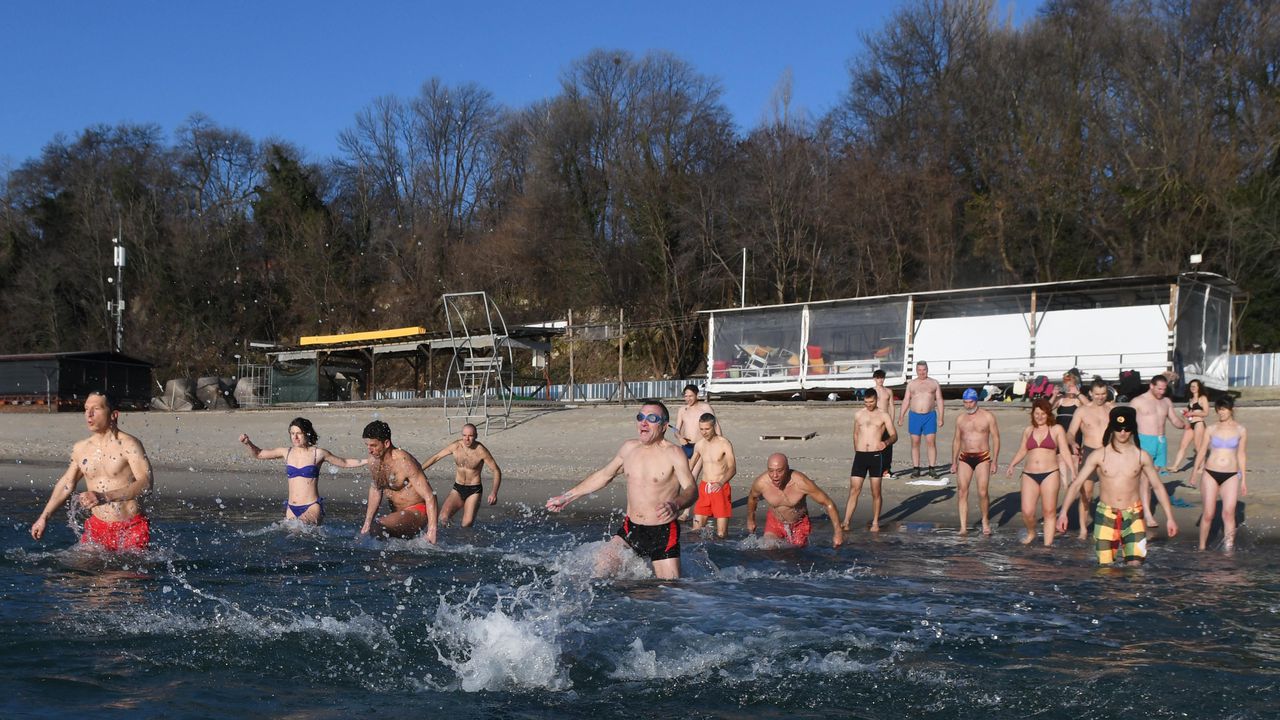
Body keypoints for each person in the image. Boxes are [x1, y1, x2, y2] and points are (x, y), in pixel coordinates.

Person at [546, 400, 696, 579]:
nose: (644, 422)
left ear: (664, 426)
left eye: (652, 418)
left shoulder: (674, 453)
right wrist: (567, 497)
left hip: (662, 532)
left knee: (670, 590)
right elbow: (604, 475)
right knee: (600, 575)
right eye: (640, 417)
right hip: (630, 529)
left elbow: (692, 489)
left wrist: (676, 504)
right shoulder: (629, 449)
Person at [1056, 406, 1180, 565]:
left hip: (1133, 514)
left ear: (1132, 430)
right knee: (1106, 569)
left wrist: (1170, 518)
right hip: (1106, 515)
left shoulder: (1141, 456)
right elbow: (1077, 484)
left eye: (1127, 429)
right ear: (1112, 428)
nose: (1122, 433)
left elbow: (1157, 486)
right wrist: (1063, 512)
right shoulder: (1099, 455)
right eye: (1118, 428)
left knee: (1135, 567)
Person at [31, 392, 154, 552]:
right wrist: (44, 517)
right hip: (98, 527)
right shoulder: (81, 448)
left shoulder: (129, 444)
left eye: (96, 408)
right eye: (86, 409)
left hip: (131, 527)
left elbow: (146, 484)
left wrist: (105, 497)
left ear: (113, 415)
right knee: (77, 574)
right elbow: (67, 484)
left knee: (120, 576)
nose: (89, 414)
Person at [238, 417, 366, 524]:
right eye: (292, 433)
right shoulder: (286, 452)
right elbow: (259, 454)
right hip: (291, 508)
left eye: (299, 433)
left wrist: (368, 461)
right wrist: (248, 443)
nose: (295, 437)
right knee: (291, 541)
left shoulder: (318, 453)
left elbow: (344, 462)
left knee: (299, 531)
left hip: (311, 506)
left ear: (307, 433)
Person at [1005, 399, 1074, 546]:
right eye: (1037, 413)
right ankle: (1031, 532)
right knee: (1027, 511)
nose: (1040, 417)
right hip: (1029, 474)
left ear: (1048, 413)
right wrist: (1012, 464)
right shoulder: (1028, 430)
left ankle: (1047, 546)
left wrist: (1072, 471)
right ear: (1033, 413)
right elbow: (1023, 449)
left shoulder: (1056, 429)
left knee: (1049, 511)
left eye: (1043, 413)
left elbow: (1065, 451)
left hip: (1050, 473)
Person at [358, 421, 438, 543]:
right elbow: (376, 489)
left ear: (386, 443)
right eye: (367, 445)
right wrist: (367, 522)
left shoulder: (404, 461)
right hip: (399, 514)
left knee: (379, 527)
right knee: (371, 531)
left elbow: (429, 495)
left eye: (373, 446)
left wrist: (432, 531)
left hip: (418, 511)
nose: (370, 450)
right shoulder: (373, 461)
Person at [746, 454, 844, 548]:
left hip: (799, 524)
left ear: (787, 469)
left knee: (796, 553)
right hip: (775, 521)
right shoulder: (761, 483)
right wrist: (751, 519)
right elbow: (752, 498)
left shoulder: (801, 483)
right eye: (771, 471)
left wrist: (838, 532)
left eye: (779, 471)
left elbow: (828, 503)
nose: (775, 475)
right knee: (768, 548)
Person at [1191, 396, 1248, 550]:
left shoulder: (1240, 430)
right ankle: (1202, 547)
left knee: (1228, 513)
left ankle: (1229, 549)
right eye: (1218, 410)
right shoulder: (1211, 428)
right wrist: (1194, 473)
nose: (1221, 413)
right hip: (1210, 473)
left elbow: (1241, 454)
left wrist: (1243, 479)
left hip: (1231, 474)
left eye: (1224, 409)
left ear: (1231, 409)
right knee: (1209, 514)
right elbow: (1202, 451)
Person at [1130, 373, 1187, 526]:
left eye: (1164, 389)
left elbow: (1174, 420)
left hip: (1161, 442)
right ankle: (1147, 514)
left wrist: (1186, 424)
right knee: (1145, 479)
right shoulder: (1138, 401)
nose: (1162, 392)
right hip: (1145, 440)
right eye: (1159, 389)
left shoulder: (1166, 401)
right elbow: (1128, 423)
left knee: (1152, 478)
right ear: (1151, 386)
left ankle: (1140, 508)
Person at [420, 423, 503, 528]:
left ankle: (467, 541)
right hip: (458, 488)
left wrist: (494, 492)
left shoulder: (481, 450)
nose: (467, 439)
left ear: (476, 436)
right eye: (464, 435)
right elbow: (436, 457)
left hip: (474, 490)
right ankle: (452, 540)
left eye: (470, 436)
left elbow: (496, 470)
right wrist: (419, 470)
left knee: (466, 524)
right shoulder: (456, 446)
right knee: (443, 518)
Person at [1062, 377, 1114, 539]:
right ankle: (1084, 529)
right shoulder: (1082, 411)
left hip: (1109, 453)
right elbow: (1070, 433)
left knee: (1110, 492)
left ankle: (1110, 527)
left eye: (1103, 394)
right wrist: (1072, 443)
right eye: (1097, 394)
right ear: (1090, 393)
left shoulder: (1112, 409)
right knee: (1087, 493)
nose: (1100, 397)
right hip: (1090, 452)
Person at [842, 390, 896, 532]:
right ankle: (846, 521)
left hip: (876, 456)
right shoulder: (859, 414)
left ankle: (875, 522)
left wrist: (886, 442)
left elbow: (894, 435)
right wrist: (857, 450)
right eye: (866, 402)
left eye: (871, 402)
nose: (868, 405)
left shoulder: (884, 416)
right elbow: (855, 434)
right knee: (854, 490)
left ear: (876, 400)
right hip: (860, 456)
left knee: (875, 492)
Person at [948, 388, 1000, 536]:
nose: (968, 405)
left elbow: (996, 438)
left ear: (976, 401)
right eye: (965, 402)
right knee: (962, 491)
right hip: (965, 457)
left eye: (970, 402)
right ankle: (963, 527)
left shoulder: (988, 417)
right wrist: (954, 461)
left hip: (982, 456)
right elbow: (957, 440)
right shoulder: (960, 419)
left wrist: (995, 461)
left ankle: (985, 520)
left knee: (982, 492)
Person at [689, 413, 736, 539]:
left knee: (721, 534)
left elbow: (733, 469)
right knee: (696, 531)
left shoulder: (724, 443)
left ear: (714, 426)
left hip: (720, 488)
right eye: (701, 429)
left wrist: (720, 483)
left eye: (707, 429)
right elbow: (690, 466)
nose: (704, 432)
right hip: (704, 488)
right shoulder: (699, 444)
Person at [897, 361, 944, 476]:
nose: (922, 372)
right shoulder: (911, 384)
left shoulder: (934, 383)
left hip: (930, 415)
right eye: (919, 370)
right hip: (914, 416)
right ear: (916, 371)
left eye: (924, 370)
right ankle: (916, 468)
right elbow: (906, 400)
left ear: (927, 370)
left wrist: (941, 417)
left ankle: (932, 468)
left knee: (930, 442)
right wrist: (901, 416)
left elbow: (939, 400)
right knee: (915, 442)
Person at [1167, 378, 1209, 473]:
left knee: (1198, 446)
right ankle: (1175, 466)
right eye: (1191, 386)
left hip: (1199, 423)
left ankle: (1202, 467)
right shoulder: (1191, 399)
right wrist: (1186, 413)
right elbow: (1189, 411)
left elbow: (1206, 413)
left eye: (1195, 386)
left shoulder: (1202, 398)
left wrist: (1193, 413)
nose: (1192, 388)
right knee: (1183, 445)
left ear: (1199, 387)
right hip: (1190, 424)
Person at [871, 369, 896, 478]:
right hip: (875, 421)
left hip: (886, 421)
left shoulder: (888, 391)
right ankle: (876, 468)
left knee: (888, 445)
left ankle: (886, 469)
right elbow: (869, 406)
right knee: (875, 445)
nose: (880, 380)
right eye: (878, 378)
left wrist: (892, 421)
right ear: (874, 379)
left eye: (882, 378)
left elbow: (891, 406)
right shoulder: (872, 391)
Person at [1052, 369, 1084, 434]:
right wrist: (1054, 396)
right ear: (1065, 387)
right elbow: (1045, 409)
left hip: (1074, 433)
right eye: (1068, 387)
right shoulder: (1060, 399)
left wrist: (1077, 393)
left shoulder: (1078, 400)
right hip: (1059, 433)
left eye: (1073, 387)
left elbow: (1090, 406)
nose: (1071, 389)